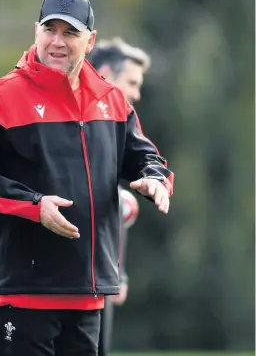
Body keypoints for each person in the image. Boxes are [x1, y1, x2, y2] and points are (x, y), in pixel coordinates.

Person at [0, 0, 174, 356]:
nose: (57, 42)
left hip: (87, 297)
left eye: (70, 33)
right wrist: (34, 204)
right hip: (22, 294)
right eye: (49, 30)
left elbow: (144, 156)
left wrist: (154, 179)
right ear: (36, 32)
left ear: (90, 41)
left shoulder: (111, 99)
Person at [86, 37, 152, 356]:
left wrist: (118, 271)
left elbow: (108, 204)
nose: (137, 93)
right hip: (62, 280)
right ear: (108, 73)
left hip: (101, 278)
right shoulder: (74, 118)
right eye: (132, 82)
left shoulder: (118, 124)